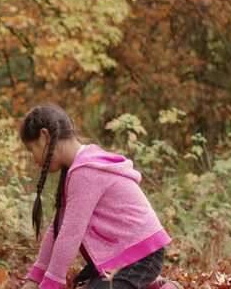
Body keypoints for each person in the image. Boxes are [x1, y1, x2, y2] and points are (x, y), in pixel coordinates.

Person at [19, 103, 181, 289]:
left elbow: (70, 234)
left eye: (32, 150)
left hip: (141, 256)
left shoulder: (85, 172)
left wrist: (50, 284)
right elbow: (56, 230)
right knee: (81, 284)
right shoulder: (77, 169)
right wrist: (36, 277)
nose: (34, 159)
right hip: (121, 254)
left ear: (44, 136)